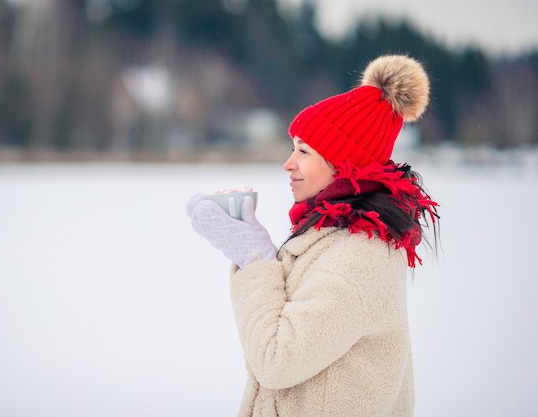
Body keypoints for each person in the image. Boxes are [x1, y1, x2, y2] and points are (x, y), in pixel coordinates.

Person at [186, 54, 439, 417]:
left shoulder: (359, 258)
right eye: (293, 148)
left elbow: (277, 359)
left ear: (344, 163)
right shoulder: (333, 238)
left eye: (303, 151)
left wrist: (255, 259)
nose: (289, 163)